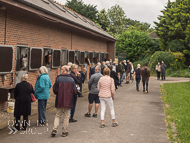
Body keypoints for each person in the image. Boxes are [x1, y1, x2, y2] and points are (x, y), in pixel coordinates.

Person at [51, 66, 77, 137]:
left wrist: (58, 93)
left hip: (60, 99)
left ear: (63, 70)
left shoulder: (58, 78)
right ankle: (64, 131)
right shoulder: (71, 79)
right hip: (68, 100)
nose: (61, 70)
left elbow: (55, 89)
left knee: (58, 115)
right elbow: (75, 90)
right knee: (66, 116)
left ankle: (54, 129)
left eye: (61, 69)